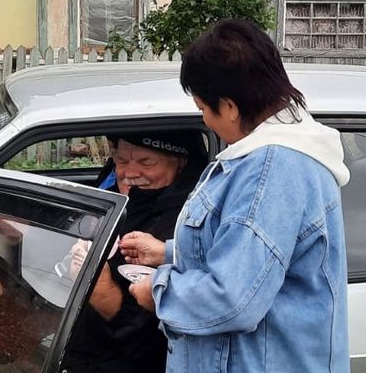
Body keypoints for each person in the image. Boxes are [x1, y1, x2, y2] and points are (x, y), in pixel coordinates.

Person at [125, 19, 352, 373]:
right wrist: (167, 252)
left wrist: (157, 291)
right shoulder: (270, 156)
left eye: (203, 108)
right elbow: (254, 252)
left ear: (229, 106)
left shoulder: (273, 170)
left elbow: (233, 298)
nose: (205, 119)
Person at [61, 132, 207, 373]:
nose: (129, 174)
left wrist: (100, 288)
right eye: (122, 161)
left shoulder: (185, 227)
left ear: (180, 162)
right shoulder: (118, 195)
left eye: (146, 162)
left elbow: (149, 343)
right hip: (70, 341)